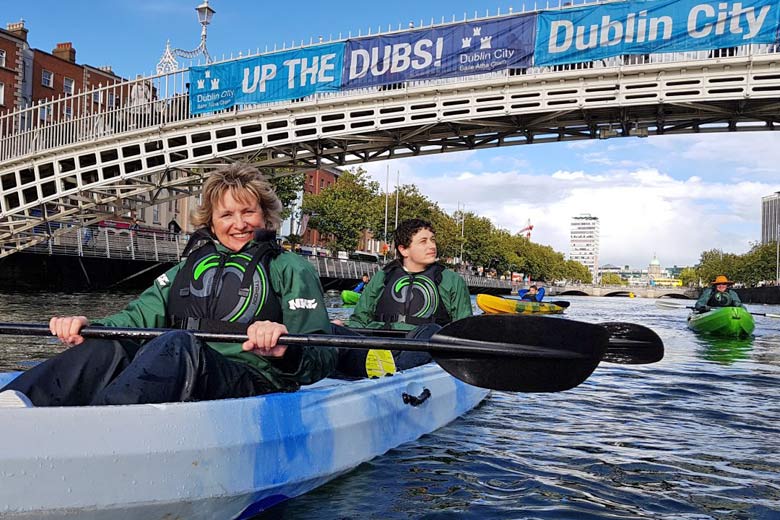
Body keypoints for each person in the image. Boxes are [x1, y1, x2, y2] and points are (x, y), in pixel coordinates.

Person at [0, 164, 337, 408]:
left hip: (256, 380)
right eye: (226, 215)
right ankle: (17, 406)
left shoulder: (289, 267)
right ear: (211, 222)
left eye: (247, 212)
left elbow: (322, 353)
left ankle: (102, 425)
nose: (238, 224)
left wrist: (285, 347)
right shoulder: (184, 269)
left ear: (265, 216)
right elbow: (135, 319)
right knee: (111, 345)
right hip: (184, 368)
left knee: (178, 344)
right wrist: (90, 328)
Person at [335, 218, 472, 377]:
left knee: (433, 331)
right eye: (423, 241)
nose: (432, 246)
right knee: (332, 328)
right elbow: (360, 318)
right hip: (378, 343)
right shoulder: (383, 277)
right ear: (404, 250)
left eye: (432, 240)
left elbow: (463, 328)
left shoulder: (451, 280)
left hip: (419, 346)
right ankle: (344, 369)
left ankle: (393, 372)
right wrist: (344, 329)